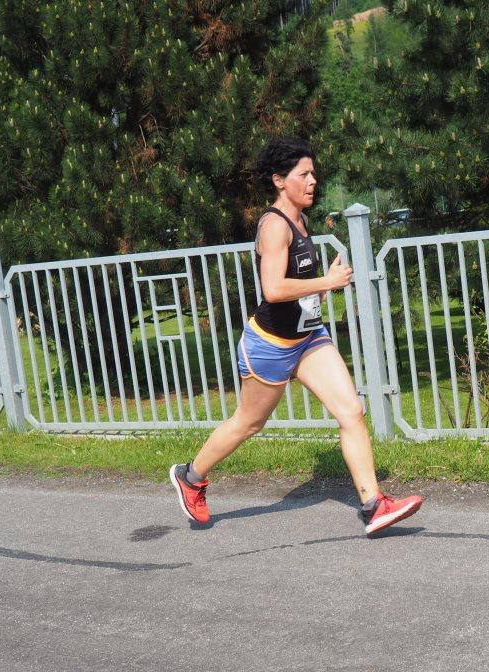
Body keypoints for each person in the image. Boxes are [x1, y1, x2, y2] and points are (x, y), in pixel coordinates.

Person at [170, 137, 423, 535]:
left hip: (308, 338)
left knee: (351, 411)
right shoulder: (274, 226)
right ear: (279, 180)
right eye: (303, 174)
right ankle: (191, 477)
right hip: (271, 345)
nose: (312, 181)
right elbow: (272, 289)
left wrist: (318, 288)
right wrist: (327, 282)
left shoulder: (301, 220)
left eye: (313, 174)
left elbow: (296, 283)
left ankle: (373, 504)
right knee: (249, 423)